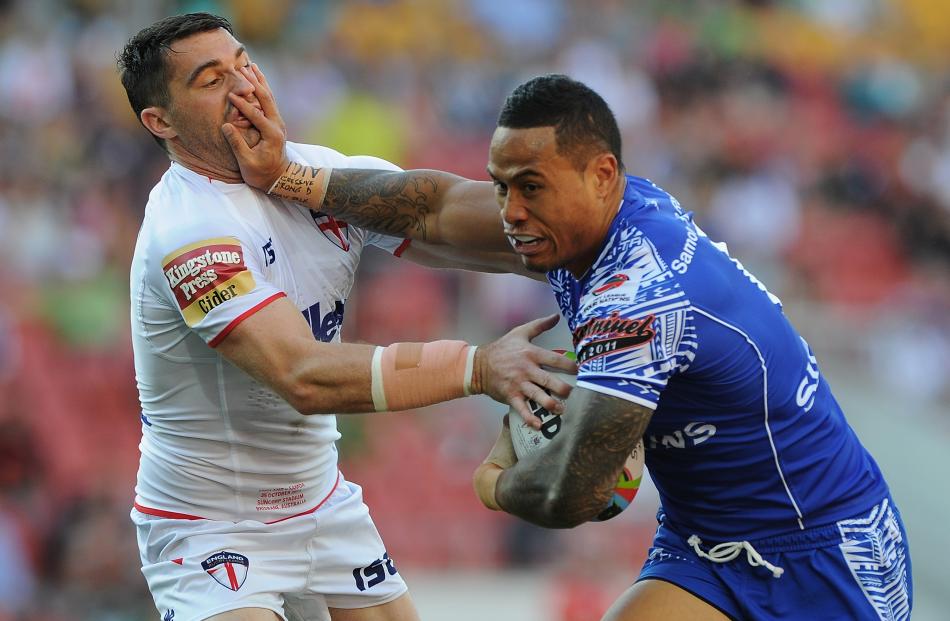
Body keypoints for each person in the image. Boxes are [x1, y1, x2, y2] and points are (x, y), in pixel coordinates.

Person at [228, 73, 913, 620]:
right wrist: (288, 176)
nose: (511, 210)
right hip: (706, 546)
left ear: (603, 174)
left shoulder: (638, 298)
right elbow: (432, 206)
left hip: (824, 553)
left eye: (530, 188)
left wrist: (493, 481)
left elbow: (571, 490)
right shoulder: (580, 227)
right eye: (502, 186)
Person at [116, 14, 575, 621]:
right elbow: (303, 375)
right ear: (160, 121)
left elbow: (439, 216)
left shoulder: (309, 173)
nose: (244, 86)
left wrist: (594, 230)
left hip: (323, 504)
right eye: (210, 79)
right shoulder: (188, 232)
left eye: (244, 63)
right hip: (211, 526)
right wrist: (480, 367)